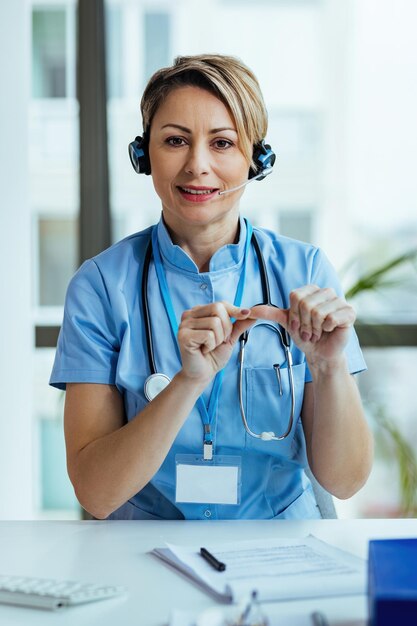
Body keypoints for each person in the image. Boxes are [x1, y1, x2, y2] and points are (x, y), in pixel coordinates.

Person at [50, 54, 373, 520]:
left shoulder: (306, 271)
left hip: (280, 547)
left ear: (256, 159)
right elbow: (97, 494)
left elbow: (345, 481)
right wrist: (188, 382)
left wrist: (328, 365)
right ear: (144, 155)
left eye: (222, 143)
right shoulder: (100, 285)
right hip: (147, 549)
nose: (197, 165)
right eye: (175, 140)